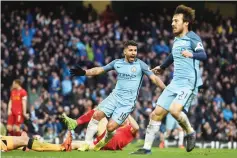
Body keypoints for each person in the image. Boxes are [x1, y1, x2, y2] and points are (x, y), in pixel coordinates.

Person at [131, 5, 207, 154]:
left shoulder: (192, 37)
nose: (172, 23)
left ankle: (190, 132)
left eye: (176, 21)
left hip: (189, 83)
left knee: (174, 110)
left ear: (186, 23)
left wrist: (192, 54)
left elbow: (203, 55)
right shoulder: (177, 40)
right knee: (155, 114)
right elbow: (173, 55)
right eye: (172, 21)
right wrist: (163, 67)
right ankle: (146, 148)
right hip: (175, 82)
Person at [69, 40, 166, 151]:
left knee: (110, 127)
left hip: (127, 103)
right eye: (131, 50)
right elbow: (100, 69)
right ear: (125, 51)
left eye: (135, 50)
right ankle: (87, 143)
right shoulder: (117, 63)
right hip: (114, 97)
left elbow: (154, 78)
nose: (133, 53)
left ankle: (105, 140)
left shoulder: (141, 65)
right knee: (97, 115)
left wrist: (166, 89)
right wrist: (85, 72)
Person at [62, 109, 139, 151]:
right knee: (73, 144)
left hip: (107, 141)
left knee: (99, 112)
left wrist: (127, 114)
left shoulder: (129, 129)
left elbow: (137, 127)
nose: (122, 118)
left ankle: (76, 122)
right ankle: (55, 147)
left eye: (123, 117)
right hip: (102, 144)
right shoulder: (117, 126)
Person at [0, 131, 72, 152]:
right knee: (25, 140)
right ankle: (62, 147)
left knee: (24, 139)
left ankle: (24, 147)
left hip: (2, 139)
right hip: (2, 141)